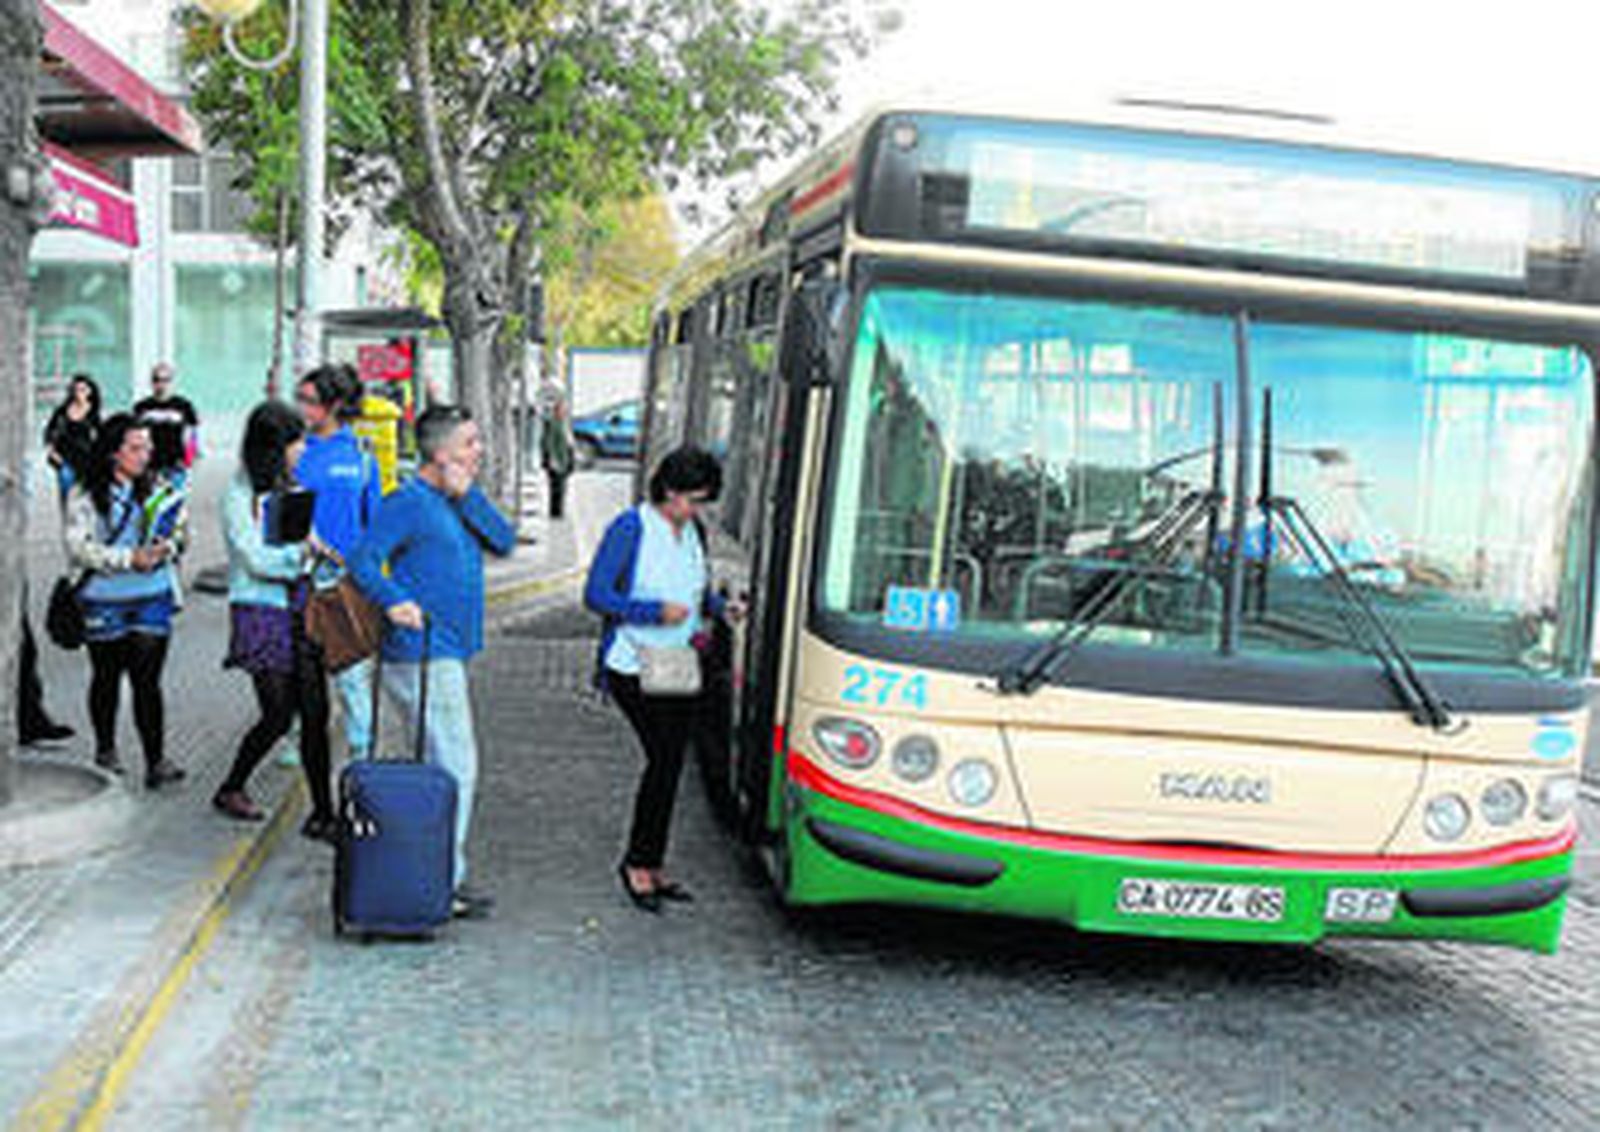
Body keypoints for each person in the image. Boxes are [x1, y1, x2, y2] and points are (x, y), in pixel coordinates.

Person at [349, 405, 515, 921]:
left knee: (443, 766)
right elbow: (362, 560)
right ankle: (443, 881)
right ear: (441, 454)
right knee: (458, 767)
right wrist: (394, 599)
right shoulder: (407, 502)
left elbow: (504, 539)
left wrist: (468, 494)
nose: (478, 451)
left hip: (447, 651)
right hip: (422, 652)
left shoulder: (455, 501)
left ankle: (429, 874)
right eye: (469, 443)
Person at [584, 446, 740, 913]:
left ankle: (650, 863)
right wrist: (653, 612)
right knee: (664, 758)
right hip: (632, 662)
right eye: (692, 500)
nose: (696, 511)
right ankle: (638, 863)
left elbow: (694, 590)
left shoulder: (692, 531)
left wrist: (720, 608)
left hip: (676, 658)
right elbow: (596, 594)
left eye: (702, 502)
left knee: (669, 763)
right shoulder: (630, 528)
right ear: (669, 490)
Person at [215, 402, 338, 836]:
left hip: (300, 606)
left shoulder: (290, 486)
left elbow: (304, 537)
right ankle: (231, 786)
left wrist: (317, 551)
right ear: (273, 447)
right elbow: (253, 558)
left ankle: (323, 813)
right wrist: (299, 558)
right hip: (260, 612)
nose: (302, 449)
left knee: (316, 714)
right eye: (295, 442)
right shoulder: (237, 496)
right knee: (278, 715)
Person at [65, 413, 186, 788]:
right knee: (106, 677)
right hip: (103, 599)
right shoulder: (85, 493)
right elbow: (77, 547)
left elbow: (181, 531)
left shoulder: (159, 486)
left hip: (152, 594)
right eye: (135, 448)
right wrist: (127, 559)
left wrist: (167, 547)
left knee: (148, 682)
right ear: (113, 452)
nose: (144, 455)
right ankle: (106, 750)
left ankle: (156, 760)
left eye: (147, 447)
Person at [295, 364, 383, 761]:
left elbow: (375, 523)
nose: (301, 407)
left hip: (346, 581)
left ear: (333, 405)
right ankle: (297, 739)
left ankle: (361, 753)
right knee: (300, 671)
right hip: (298, 576)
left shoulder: (361, 456)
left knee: (352, 675)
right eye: (299, 399)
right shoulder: (294, 453)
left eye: (309, 400)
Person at [133, 362, 200, 490]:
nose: (161, 384)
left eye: (165, 380)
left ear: (171, 382)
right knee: (152, 500)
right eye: (157, 380)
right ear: (151, 382)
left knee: (175, 499)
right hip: (150, 466)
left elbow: (193, 436)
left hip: (176, 465)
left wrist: (189, 460)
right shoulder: (141, 407)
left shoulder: (184, 406)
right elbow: (135, 436)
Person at [43, 374, 100, 509]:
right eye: (77, 389)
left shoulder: (93, 412)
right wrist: (52, 451)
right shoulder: (62, 411)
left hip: (85, 459)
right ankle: (65, 512)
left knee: (86, 492)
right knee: (66, 482)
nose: (80, 393)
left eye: (83, 389)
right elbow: (49, 432)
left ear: (90, 392)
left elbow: (99, 435)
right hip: (65, 457)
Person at [539, 396, 575, 520]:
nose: (564, 412)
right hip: (556, 461)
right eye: (561, 409)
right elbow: (548, 443)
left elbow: (569, 443)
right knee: (556, 487)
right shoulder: (552, 424)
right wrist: (551, 460)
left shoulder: (564, 423)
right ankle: (555, 512)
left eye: (565, 409)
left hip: (563, 460)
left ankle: (559, 510)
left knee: (562, 487)